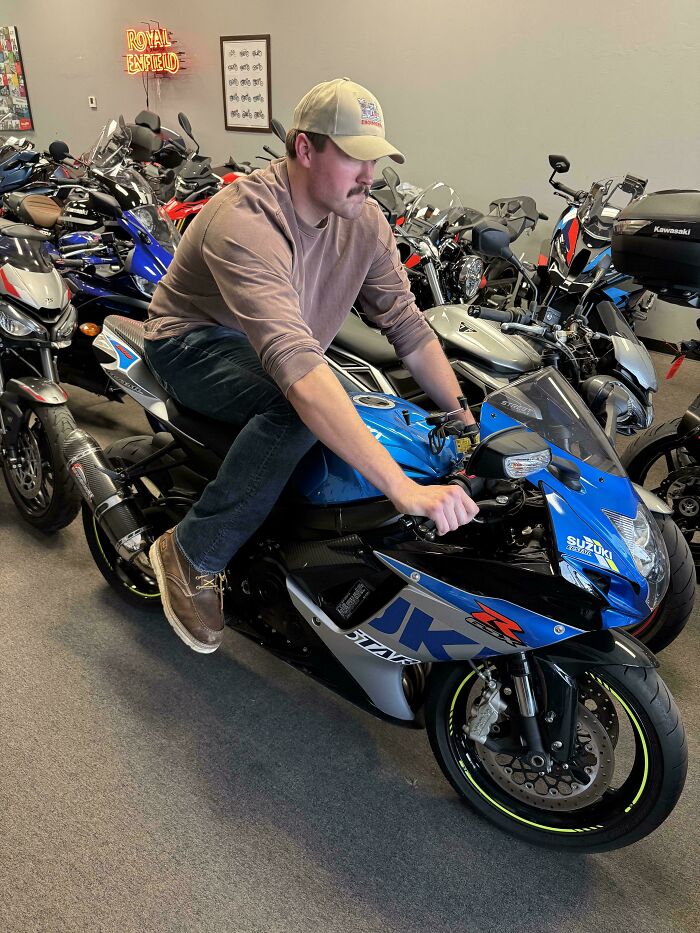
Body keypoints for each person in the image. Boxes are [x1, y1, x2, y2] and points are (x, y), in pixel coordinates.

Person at [143, 77, 479, 655]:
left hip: (277, 348)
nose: (369, 175)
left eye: (375, 159)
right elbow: (298, 374)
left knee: (369, 407)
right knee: (301, 413)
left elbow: (407, 327)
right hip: (193, 341)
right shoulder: (246, 221)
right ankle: (193, 551)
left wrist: (465, 423)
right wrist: (402, 490)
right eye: (355, 158)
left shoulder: (365, 221)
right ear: (305, 149)